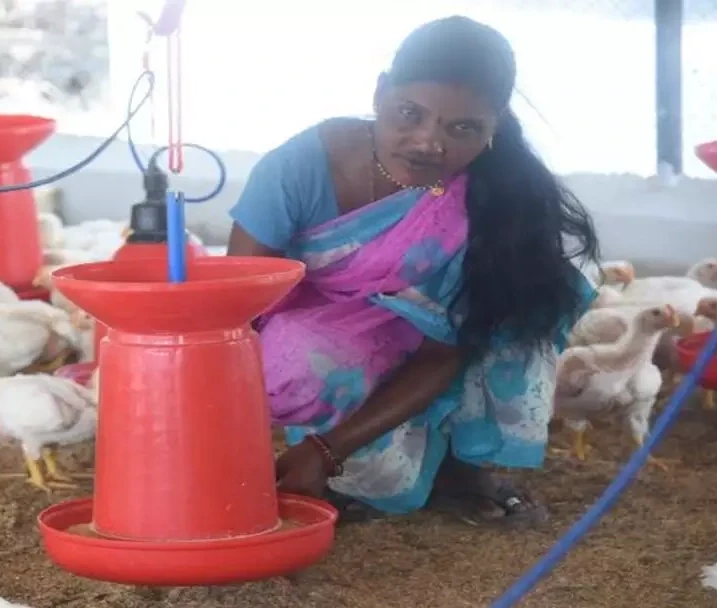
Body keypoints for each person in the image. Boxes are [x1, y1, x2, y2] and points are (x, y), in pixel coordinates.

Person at [229, 16, 599, 527]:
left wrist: (326, 451)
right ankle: (361, 460)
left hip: (433, 337)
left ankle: (459, 467)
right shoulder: (297, 168)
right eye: (410, 113)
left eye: (462, 128)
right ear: (380, 93)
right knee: (297, 356)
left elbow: (446, 349)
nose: (428, 143)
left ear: (493, 128)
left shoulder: (489, 201)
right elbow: (238, 309)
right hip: (324, 334)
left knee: (521, 300)